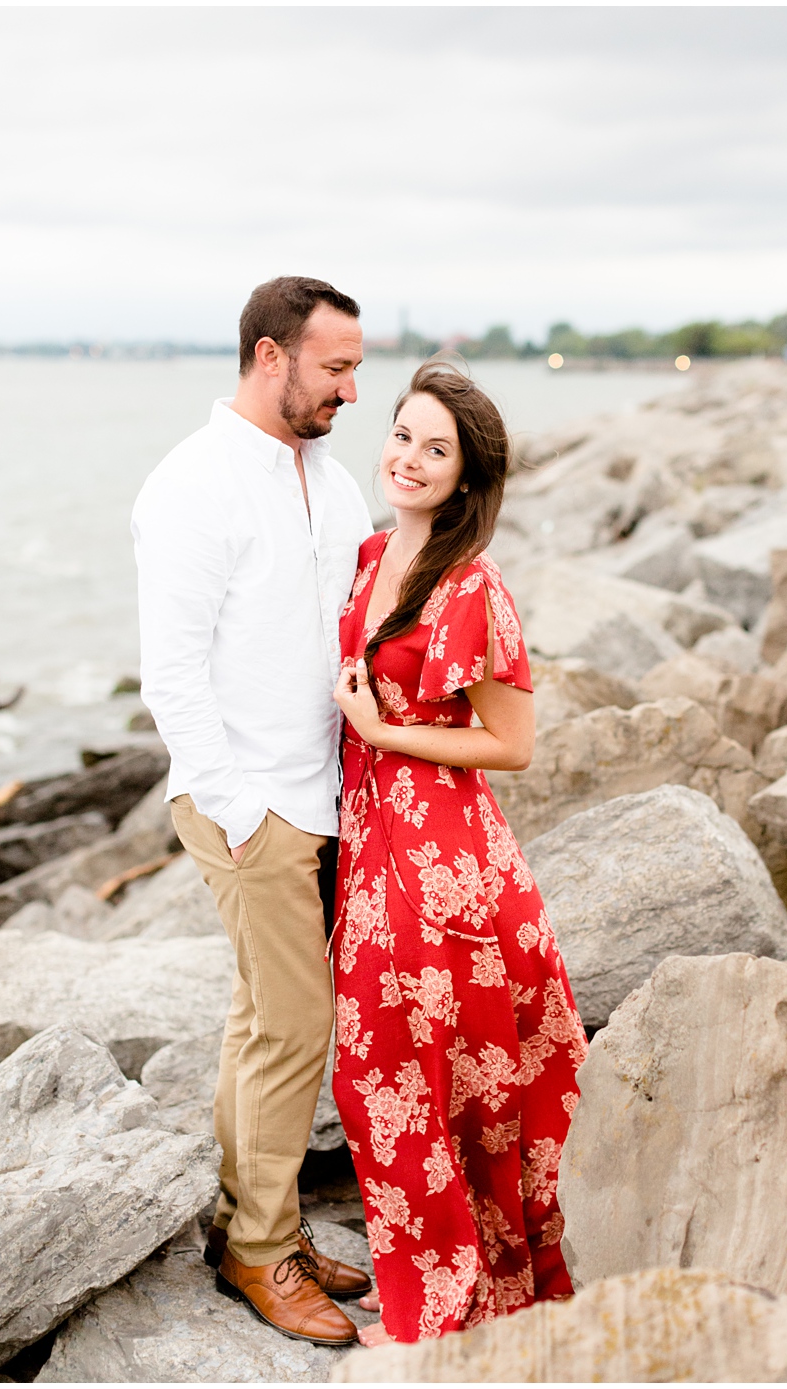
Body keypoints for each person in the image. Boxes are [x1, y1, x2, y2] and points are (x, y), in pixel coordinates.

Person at [133, 276, 376, 1345]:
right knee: (293, 1024)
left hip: (322, 792)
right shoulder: (192, 486)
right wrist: (236, 810)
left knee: (258, 1019)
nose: (352, 390)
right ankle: (261, 1254)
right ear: (270, 358)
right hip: (252, 800)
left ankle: (253, 1222)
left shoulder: (333, 479)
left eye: (356, 368)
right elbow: (170, 670)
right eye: (335, 368)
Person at [329, 361, 586, 1345]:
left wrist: (386, 734)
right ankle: (445, 1283)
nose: (410, 459)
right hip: (370, 841)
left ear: (466, 478)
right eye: (402, 435)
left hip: (443, 859)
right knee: (395, 1073)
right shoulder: (364, 556)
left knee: (408, 1075)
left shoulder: (475, 588)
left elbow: (513, 745)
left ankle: (448, 1304)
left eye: (436, 450)